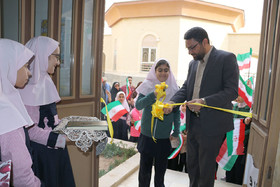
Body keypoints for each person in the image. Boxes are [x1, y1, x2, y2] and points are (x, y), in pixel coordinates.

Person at [164, 27, 239, 187]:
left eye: (193, 47)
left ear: (205, 41)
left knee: (205, 168)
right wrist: (172, 101)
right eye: (188, 48)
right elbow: (186, 88)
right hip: (193, 123)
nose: (190, 52)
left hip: (213, 124)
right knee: (192, 165)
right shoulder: (193, 64)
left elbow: (231, 91)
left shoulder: (226, 58)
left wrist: (204, 101)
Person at [19, 36, 75, 187]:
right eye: (56, 57)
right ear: (43, 56)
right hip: (42, 156)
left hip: (55, 149)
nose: (58, 62)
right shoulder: (27, 87)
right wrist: (63, 139)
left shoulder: (46, 81)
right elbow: (30, 131)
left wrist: (69, 128)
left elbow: (50, 119)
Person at [0, 39, 41, 186]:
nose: (29, 73)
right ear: (8, 65)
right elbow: (21, 174)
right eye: (25, 66)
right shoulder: (5, 112)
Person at [136, 58, 180, 187]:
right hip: (147, 136)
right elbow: (138, 105)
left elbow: (176, 112)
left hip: (163, 137)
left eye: (166, 70)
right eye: (160, 70)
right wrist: (153, 94)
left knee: (160, 173)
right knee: (144, 171)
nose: (163, 73)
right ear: (154, 71)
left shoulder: (173, 88)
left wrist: (176, 131)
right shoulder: (147, 85)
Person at [226, 96, 251, 185]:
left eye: (239, 95)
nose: (236, 98)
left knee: (239, 166)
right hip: (232, 139)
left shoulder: (250, 108)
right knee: (229, 164)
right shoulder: (235, 106)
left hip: (242, 141)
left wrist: (242, 133)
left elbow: (251, 128)